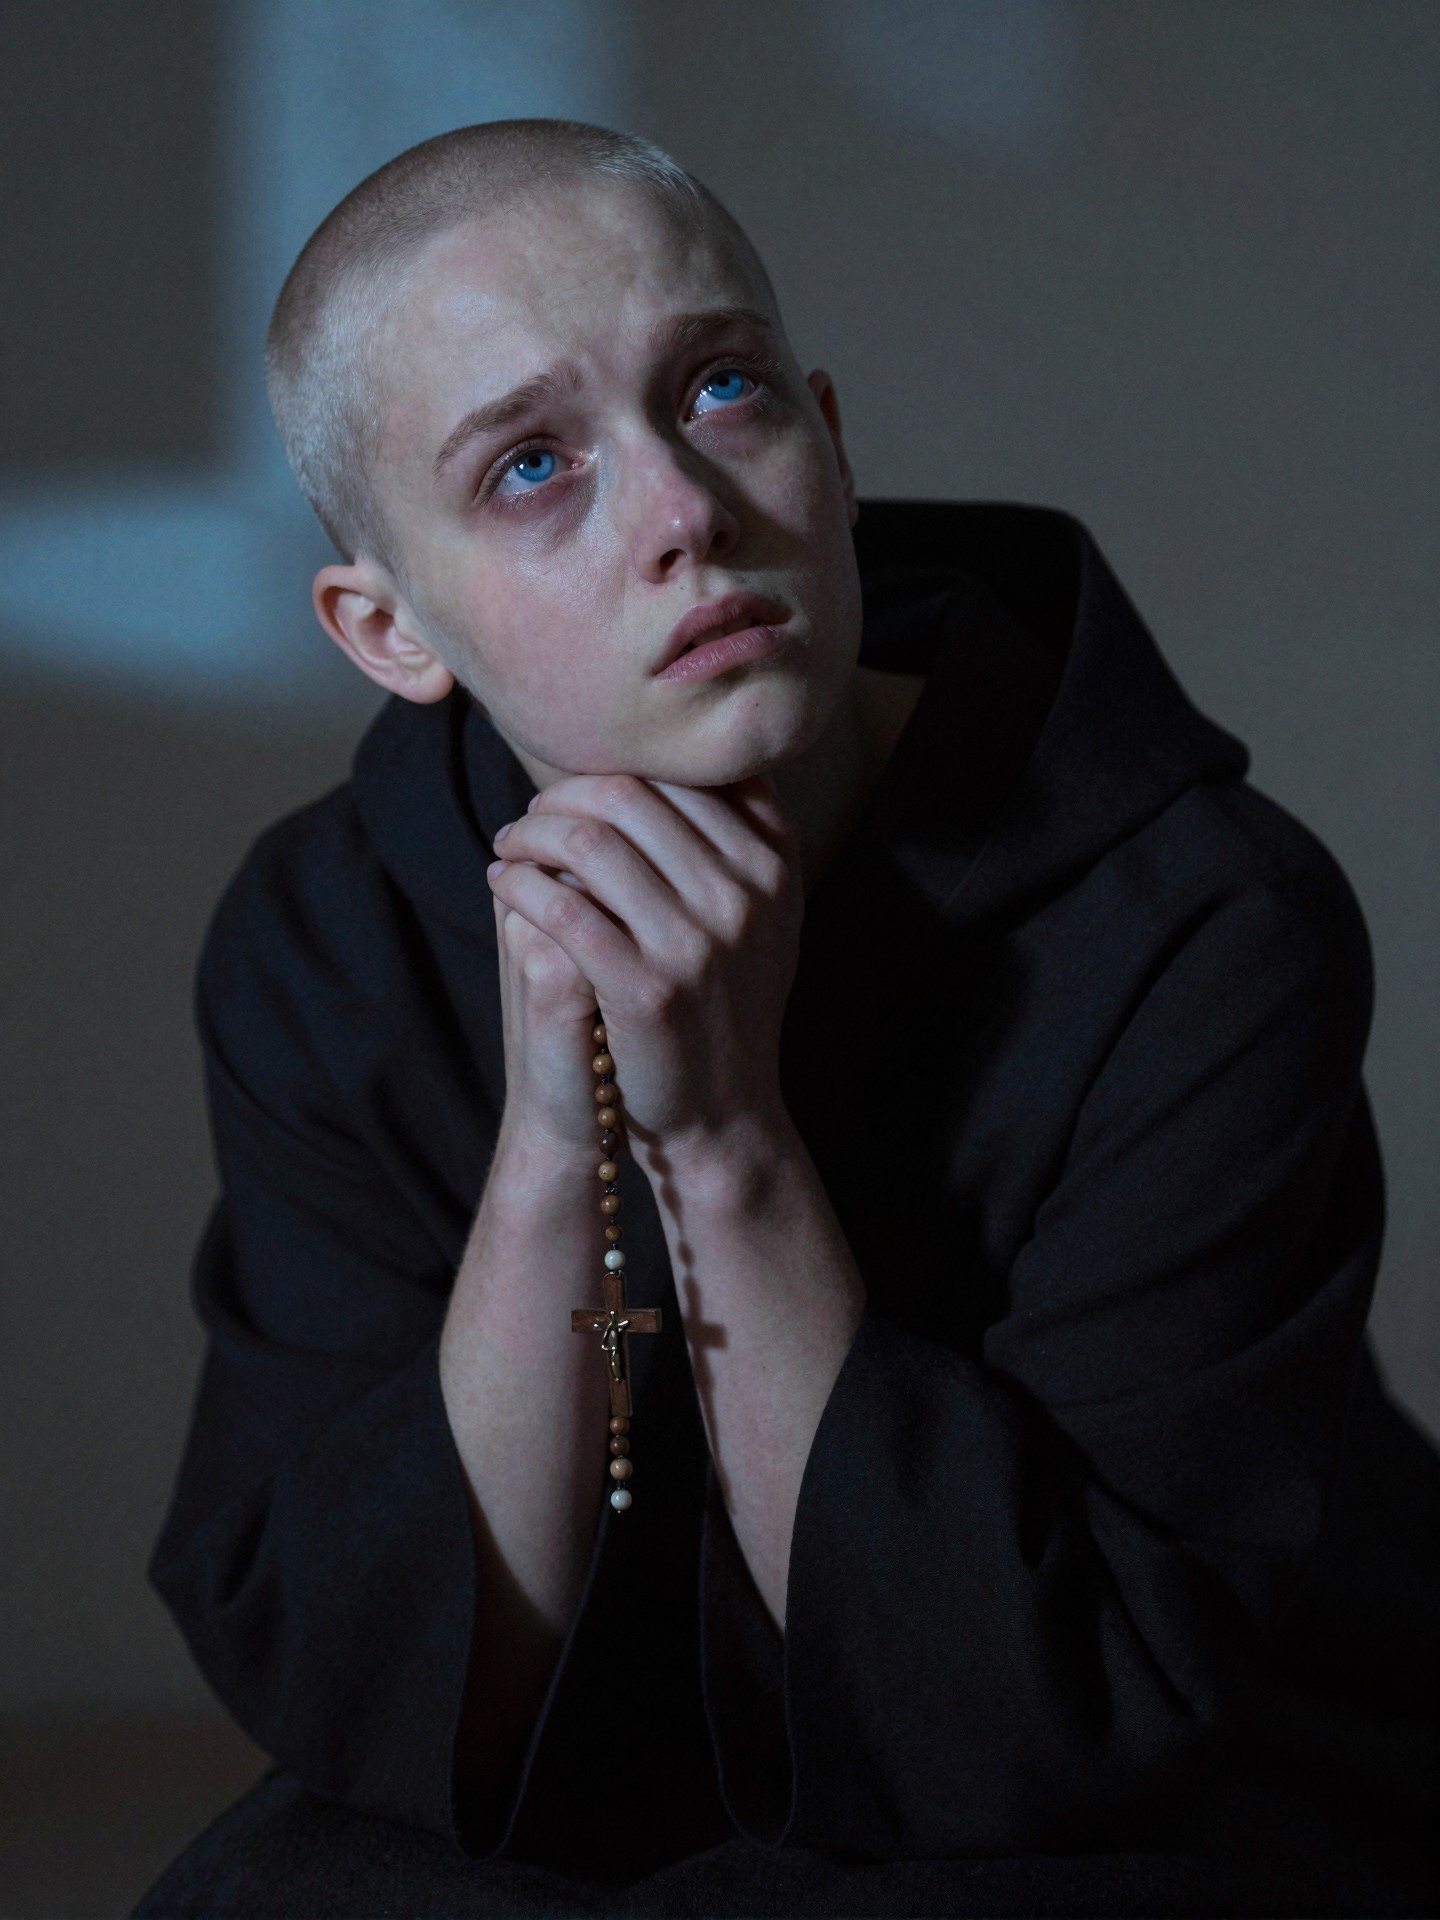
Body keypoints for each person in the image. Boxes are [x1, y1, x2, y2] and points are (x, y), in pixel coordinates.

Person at [134, 119, 1438, 1918]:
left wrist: (722, 1137)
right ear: (387, 628)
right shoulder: (322, 936)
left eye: (722, 389)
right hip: (605, 1755)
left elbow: (1048, 1714)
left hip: (1175, 1752)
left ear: (829, 439)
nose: (684, 512)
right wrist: (559, 1142)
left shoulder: (1207, 920)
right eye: (530, 466)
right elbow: (374, 1685)